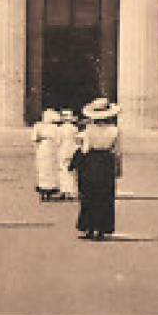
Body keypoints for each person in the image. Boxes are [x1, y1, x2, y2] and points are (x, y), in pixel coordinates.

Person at [74, 97, 121, 240]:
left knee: (89, 195)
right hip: (106, 162)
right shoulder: (115, 131)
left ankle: (89, 228)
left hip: (91, 161)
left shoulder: (89, 130)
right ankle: (102, 229)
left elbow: (85, 149)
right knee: (105, 196)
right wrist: (118, 169)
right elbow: (117, 152)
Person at [32, 109, 62, 201]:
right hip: (52, 147)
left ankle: (43, 191)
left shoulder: (38, 126)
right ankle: (49, 191)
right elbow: (59, 140)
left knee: (42, 169)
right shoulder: (56, 128)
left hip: (42, 147)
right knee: (51, 169)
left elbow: (34, 138)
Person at [54, 109, 80, 200]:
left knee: (63, 170)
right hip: (72, 149)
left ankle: (64, 190)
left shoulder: (60, 129)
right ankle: (72, 191)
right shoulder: (74, 129)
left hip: (63, 150)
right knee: (72, 171)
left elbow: (58, 141)